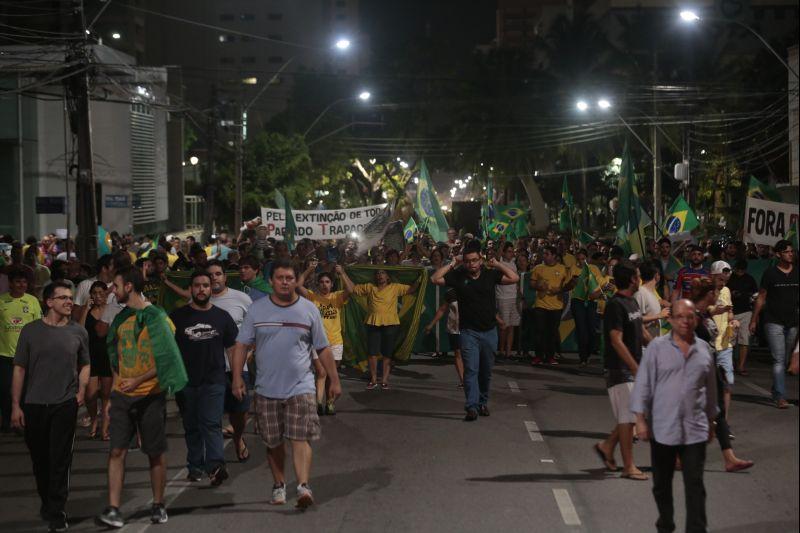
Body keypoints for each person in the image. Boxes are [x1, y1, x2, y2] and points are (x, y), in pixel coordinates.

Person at [230, 258, 341, 509]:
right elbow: (241, 345)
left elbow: (323, 347)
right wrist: (237, 377)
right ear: (271, 281)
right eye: (280, 278)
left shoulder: (309, 309)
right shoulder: (257, 310)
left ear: (296, 280)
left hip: (301, 387)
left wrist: (334, 379)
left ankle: (303, 485)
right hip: (266, 389)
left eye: (290, 278)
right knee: (273, 441)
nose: (284, 282)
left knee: (300, 437)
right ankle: (279, 484)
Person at [96, 267, 187, 528]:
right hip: (122, 397)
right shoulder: (120, 319)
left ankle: (158, 504)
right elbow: (116, 357)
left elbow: (167, 360)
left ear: (129, 287)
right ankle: (113, 509)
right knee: (116, 451)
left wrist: (137, 380)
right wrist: (113, 393)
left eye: (116, 285)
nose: (112, 290)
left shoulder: (157, 317)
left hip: (150, 396)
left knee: (154, 452)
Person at [631, 299, 718, 533]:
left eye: (690, 317)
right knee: (661, 485)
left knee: (695, 485)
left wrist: (711, 422)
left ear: (696, 319)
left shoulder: (704, 351)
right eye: (680, 316)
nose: (685, 321)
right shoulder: (657, 348)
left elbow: (711, 391)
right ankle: (666, 523)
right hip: (662, 428)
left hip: (695, 429)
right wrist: (640, 420)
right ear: (670, 319)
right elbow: (643, 384)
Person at [10, 281, 89, 532]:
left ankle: (57, 510)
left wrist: (82, 390)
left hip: (64, 404)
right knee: (40, 460)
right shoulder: (30, 331)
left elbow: (85, 364)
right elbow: (19, 369)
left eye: (70, 297)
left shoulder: (78, 332)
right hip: (34, 405)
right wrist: (15, 405)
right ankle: (47, 501)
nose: (69, 301)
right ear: (49, 302)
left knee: (59, 460)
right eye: (63, 298)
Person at [431, 239, 519, 421]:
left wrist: (497, 263)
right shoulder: (458, 275)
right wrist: (453, 263)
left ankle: (482, 402)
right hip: (468, 331)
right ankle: (471, 407)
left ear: (481, 260)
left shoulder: (490, 274)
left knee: (485, 372)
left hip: (489, 331)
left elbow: (514, 278)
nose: (472, 264)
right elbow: (435, 278)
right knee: (471, 369)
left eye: (475, 260)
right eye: (468, 261)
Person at [170, 270, 238, 486]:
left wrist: (237, 378)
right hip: (186, 382)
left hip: (214, 380)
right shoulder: (177, 317)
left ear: (211, 289)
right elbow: (168, 349)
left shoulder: (222, 317)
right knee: (191, 426)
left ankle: (216, 466)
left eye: (205, 286)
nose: (201, 289)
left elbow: (233, 349)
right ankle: (195, 465)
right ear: (191, 289)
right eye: (197, 286)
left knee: (211, 423)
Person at [691, 277, 754, 473]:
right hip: (695, 372)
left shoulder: (702, 313)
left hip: (709, 368)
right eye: (716, 292)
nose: (718, 296)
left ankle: (729, 457)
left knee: (717, 412)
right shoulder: (690, 314)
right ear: (710, 294)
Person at [595, 260, 650, 481]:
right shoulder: (615, 305)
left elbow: (641, 330)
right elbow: (616, 341)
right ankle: (628, 466)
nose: (640, 279)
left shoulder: (632, 302)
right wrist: (634, 367)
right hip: (620, 369)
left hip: (633, 368)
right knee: (628, 419)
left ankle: (607, 447)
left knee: (632, 417)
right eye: (638, 275)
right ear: (632, 279)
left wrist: (659, 348)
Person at [202, 260, 254, 463]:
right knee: (211, 415)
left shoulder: (241, 298)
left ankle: (238, 437)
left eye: (217, 274)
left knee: (239, 413)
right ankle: (215, 458)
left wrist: (248, 353)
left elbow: (254, 329)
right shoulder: (198, 301)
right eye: (210, 275)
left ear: (225, 277)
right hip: (210, 369)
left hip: (238, 368)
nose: (214, 278)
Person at [349, 268, 421, 390]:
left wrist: (421, 277)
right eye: (378, 273)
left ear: (388, 277)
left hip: (390, 323)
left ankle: (385, 380)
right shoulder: (370, 287)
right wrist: (343, 273)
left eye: (382, 273)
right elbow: (352, 289)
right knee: (372, 353)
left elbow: (412, 289)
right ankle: (373, 379)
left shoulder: (395, 287)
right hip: (373, 323)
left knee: (387, 353)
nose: (380, 275)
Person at [297, 262, 351, 415]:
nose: (324, 285)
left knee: (331, 374)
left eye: (327, 282)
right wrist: (309, 269)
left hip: (335, 342)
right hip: (317, 342)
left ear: (332, 284)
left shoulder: (337, 297)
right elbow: (298, 285)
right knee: (321, 372)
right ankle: (318, 403)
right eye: (321, 282)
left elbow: (351, 289)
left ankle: (330, 403)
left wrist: (342, 273)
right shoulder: (312, 297)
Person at [749, 239, 798, 409]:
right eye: (786, 252)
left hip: (792, 323)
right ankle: (781, 397)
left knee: (784, 360)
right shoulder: (770, 273)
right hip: (773, 322)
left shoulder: (797, 272)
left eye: (792, 251)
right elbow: (761, 297)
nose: (790, 254)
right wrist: (754, 319)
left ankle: (776, 389)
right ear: (778, 254)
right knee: (778, 359)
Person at [1, 268, 42, 432]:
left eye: (24, 282)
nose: (21, 285)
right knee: (4, 389)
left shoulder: (32, 301)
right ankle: (7, 419)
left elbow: (39, 327)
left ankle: (23, 422)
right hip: (4, 354)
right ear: (10, 284)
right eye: (18, 282)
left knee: (24, 390)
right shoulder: (1, 301)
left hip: (26, 355)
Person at [79, 281, 113, 440]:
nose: (98, 296)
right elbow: (80, 331)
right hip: (91, 357)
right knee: (90, 395)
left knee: (106, 394)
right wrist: (86, 309)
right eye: (95, 293)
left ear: (106, 294)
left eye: (101, 292)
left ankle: (105, 427)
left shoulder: (112, 311)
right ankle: (94, 420)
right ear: (91, 295)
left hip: (108, 356)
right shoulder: (88, 311)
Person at [530, 245, 569, 365]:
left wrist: (560, 290)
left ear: (554, 256)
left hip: (556, 306)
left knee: (552, 333)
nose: (544, 256)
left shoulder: (563, 269)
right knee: (539, 332)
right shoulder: (538, 268)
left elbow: (568, 286)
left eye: (547, 254)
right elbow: (531, 284)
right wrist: (538, 286)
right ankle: (538, 357)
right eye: (544, 254)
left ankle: (550, 357)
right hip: (540, 305)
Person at [424, 289, 465, 387]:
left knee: (469, 353)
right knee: (458, 353)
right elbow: (442, 309)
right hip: (454, 329)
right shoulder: (451, 293)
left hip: (470, 328)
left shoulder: (473, 290)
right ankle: (463, 381)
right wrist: (431, 325)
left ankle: (472, 378)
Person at [571, 249, 604, 366]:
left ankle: (589, 352)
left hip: (591, 301)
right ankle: (583, 357)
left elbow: (599, 283)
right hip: (578, 301)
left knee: (592, 330)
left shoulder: (594, 269)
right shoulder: (573, 269)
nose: (581, 262)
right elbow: (571, 283)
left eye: (583, 259)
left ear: (587, 259)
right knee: (581, 330)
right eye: (578, 259)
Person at [727, 259, 757, 375]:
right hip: (731, 312)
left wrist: (751, 298)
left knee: (744, 340)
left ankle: (741, 366)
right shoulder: (730, 278)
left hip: (746, 312)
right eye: (738, 270)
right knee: (730, 340)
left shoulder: (750, 279)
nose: (739, 272)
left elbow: (755, 295)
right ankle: (730, 365)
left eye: (742, 270)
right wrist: (732, 293)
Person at [495, 242, 520, 360]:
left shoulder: (513, 263)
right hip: (503, 298)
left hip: (513, 298)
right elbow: (496, 256)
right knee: (503, 326)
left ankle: (508, 352)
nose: (512, 253)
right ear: (503, 252)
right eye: (509, 251)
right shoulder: (499, 263)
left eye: (512, 251)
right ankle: (501, 350)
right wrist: (501, 242)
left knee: (512, 326)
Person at [635, 261, 670, 342]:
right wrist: (659, 315)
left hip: (654, 342)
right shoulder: (640, 293)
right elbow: (635, 319)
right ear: (657, 275)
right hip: (644, 346)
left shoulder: (652, 293)